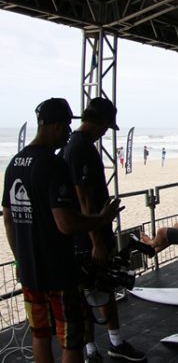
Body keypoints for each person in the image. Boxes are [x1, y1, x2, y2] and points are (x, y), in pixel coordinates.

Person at [2, 98, 123, 363]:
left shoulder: (14, 164)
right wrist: (100, 219)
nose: (70, 131)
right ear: (56, 125)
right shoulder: (52, 165)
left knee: (40, 334)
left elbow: (9, 220)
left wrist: (21, 260)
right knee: (71, 338)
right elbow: (66, 223)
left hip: (30, 272)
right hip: (58, 271)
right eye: (67, 125)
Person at [61, 97, 145, 362]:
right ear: (102, 122)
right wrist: (96, 240)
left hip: (91, 230)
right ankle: (99, 347)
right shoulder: (80, 148)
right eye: (107, 127)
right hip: (89, 235)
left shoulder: (79, 145)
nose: (106, 132)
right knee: (98, 288)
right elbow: (83, 198)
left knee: (96, 289)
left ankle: (100, 347)